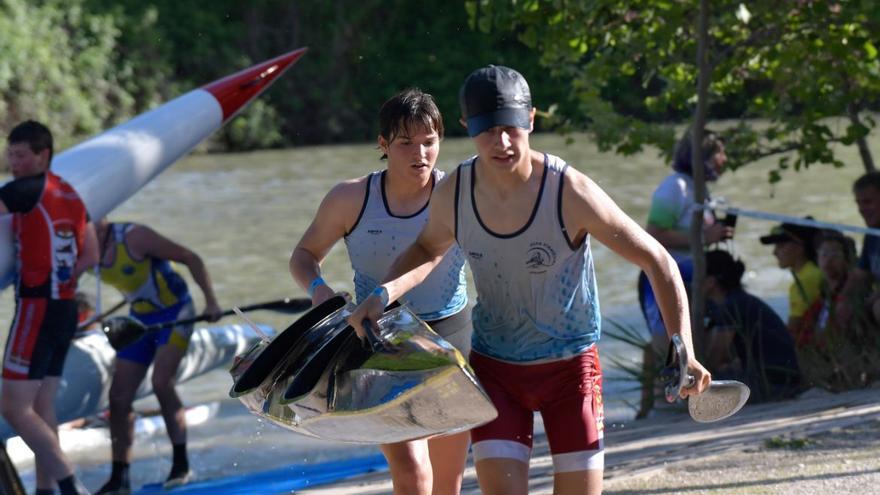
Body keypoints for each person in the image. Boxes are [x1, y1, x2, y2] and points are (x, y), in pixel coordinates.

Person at [347, 65, 711, 495]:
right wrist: (382, 295)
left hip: (571, 370)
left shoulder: (569, 191)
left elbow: (658, 261)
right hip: (496, 372)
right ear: (467, 127)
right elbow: (427, 249)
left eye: (511, 128)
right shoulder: (456, 192)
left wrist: (682, 346)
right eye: (487, 131)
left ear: (531, 120)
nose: (501, 142)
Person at [289, 88, 472, 495]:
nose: (420, 153)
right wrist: (318, 290)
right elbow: (303, 255)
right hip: (376, 339)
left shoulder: (459, 195)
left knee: (447, 484)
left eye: (429, 142)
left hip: (451, 335)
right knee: (411, 471)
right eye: (406, 143)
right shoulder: (351, 198)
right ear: (384, 145)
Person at [0, 120, 98, 495]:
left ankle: (70, 485)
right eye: (10, 155)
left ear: (43, 155)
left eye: (22, 156)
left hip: (36, 309)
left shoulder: (27, 190)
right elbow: (89, 254)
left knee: (13, 407)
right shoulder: (71, 194)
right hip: (64, 307)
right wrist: (62, 276)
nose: (14, 163)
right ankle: (46, 491)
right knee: (43, 405)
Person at [93, 218, 222, 495]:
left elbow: (191, 257)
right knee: (118, 397)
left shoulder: (135, 237)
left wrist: (211, 301)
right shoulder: (81, 247)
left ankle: (181, 464)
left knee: (161, 381)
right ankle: (120, 478)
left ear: (102, 221)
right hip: (139, 319)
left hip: (176, 312)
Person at [637, 129, 733, 416]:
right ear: (703, 156)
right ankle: (657, 409)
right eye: (720, 153)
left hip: (692, 280)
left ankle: (686, 401)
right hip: (663, 278)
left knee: (694, 338)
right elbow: (653, 234)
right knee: (663, 341)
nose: (724, 160)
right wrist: (705, 236)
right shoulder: (675, 187)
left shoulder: (699, 189)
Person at [703, 250, 801, 402]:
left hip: (774, 382)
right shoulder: (739, 299)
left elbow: (714, 358)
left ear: (710, 282)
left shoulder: (731, 306)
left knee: (703, 386)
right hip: (784, 376)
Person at [759, 220, 822, 332]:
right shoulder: (813, 271)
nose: (775, 252)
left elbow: (793, 331)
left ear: (800, 247)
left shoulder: (806, 280)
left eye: (781, 245)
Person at [852, 172, 880, 321]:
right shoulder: (872, 235)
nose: (861, 209)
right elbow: (859, 276)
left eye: (868, 202)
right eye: (858, 203)